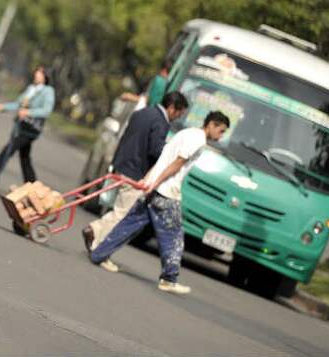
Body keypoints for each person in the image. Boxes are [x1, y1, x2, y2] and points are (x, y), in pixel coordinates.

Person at [88, 111, 230, 295]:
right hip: (166, 191)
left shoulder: (185, 133)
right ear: (211, 124)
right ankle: (169, 279)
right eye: (221, 130)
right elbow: (176, 164)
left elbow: (163, 159)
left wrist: (148, 180)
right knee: (173, 236)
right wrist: (155, 182)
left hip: (155, 186)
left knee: (130, 223)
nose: (221, 136)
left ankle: (99, 254)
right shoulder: (198, 139)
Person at [82, 90, 189, 268]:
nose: (178, 117)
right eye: (179, 113)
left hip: (121, 164)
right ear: (172, 108)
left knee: (119, 209)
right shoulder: (160, 123)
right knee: (123, 214)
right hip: (136, 172)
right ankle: (96, 236)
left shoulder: (142, 113)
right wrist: (171, 155)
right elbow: (156, 150)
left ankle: (97, 239)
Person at [0, 66, 55, 188]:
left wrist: (29, 112)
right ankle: (33, 187)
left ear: (45, 77)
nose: (37, 75)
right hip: (21, 126)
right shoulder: (31, 89)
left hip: (30, 129)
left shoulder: (48, 91)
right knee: (25, 158)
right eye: (36, 72)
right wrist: (4, 107)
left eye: (40, 73)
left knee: (7, 151)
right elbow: (19, 104)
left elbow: (46, 111)